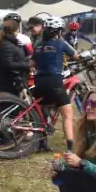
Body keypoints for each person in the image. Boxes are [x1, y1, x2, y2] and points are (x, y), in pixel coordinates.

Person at [31, 15, 78, 152]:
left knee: (43, 113)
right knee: (67, 114)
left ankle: (42, 143)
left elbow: (32, 63)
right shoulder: (61, 43)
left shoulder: (38, 45)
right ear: (59, 31)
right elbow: (76, 56)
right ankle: (70, 146)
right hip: (55, 82)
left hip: (39, 82)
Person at [0, 13, 33, 97]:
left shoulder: (14, 40)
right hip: (10, 81)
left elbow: (28, 54)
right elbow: (7, 63)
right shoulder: (5, 43)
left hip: (15, 78)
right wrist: (27, 64)